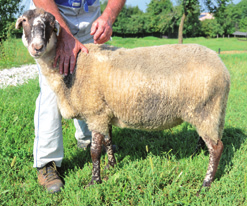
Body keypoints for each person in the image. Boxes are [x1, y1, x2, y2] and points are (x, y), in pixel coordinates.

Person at [30, 0, 126, 193]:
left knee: (90, 83)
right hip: (50, 19)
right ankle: (47, 162)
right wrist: (62, 32)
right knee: (54, 87)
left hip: (90, 17)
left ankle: (88, 137)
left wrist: (108, 16)